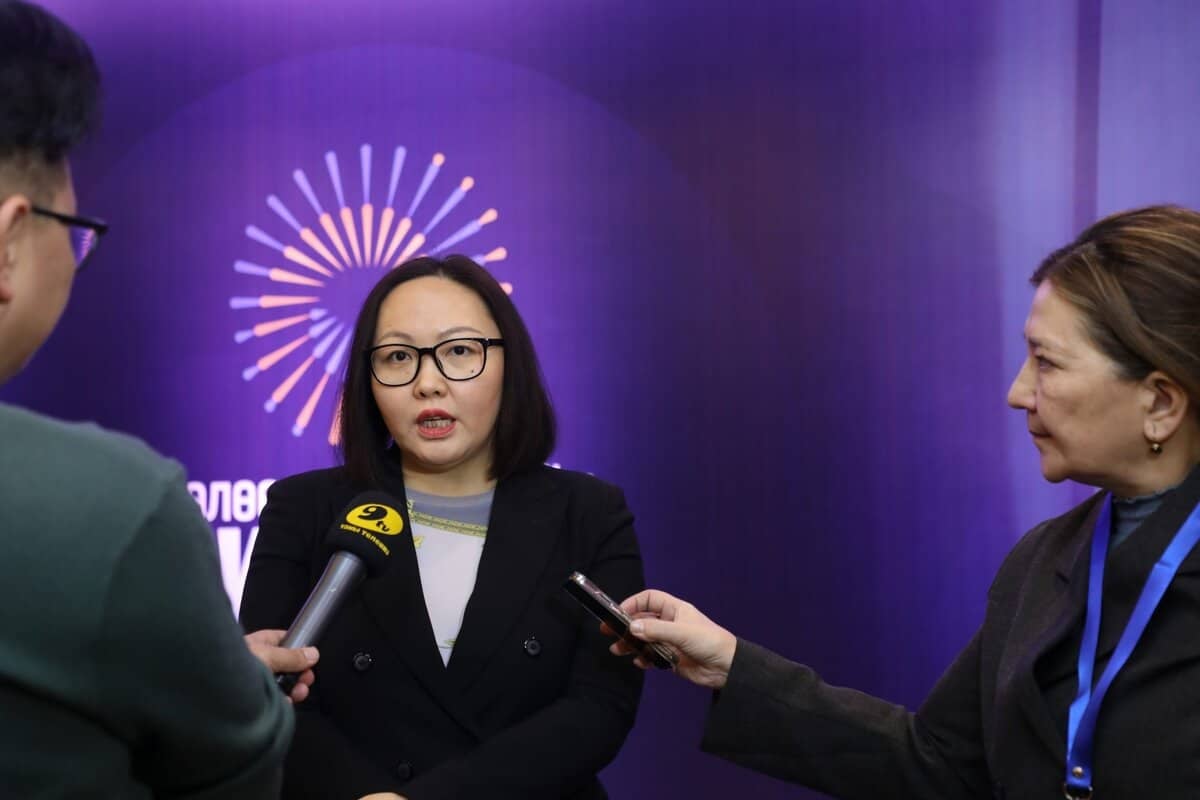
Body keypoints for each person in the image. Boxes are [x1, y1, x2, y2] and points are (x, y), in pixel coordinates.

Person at [612, 205, 1200, 799]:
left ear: (1160, 404)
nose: (1018, 392)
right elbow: (941, 765)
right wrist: (732, 666)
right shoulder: (1043, 562)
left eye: (1047, 362)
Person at [0, 2, 315, 795]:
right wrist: (240, 699)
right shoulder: (121, 510)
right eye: (72, 230)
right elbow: (234, 771)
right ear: (8, 242)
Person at [240, 254, 646, 799]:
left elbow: (601, 707)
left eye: (459, 351)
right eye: (398, 357)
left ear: (510, 363)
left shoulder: (591, 512)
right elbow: (267, 691)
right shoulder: (302, 509)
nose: (427, 384)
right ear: (369, 378)